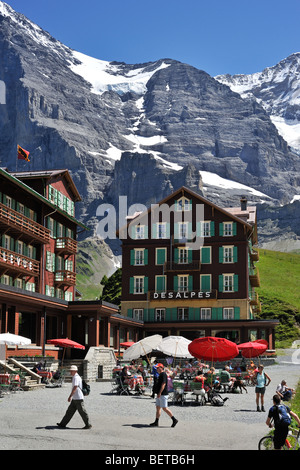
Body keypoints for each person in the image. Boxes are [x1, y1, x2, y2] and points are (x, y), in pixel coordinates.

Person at [57, 365, 92, 429]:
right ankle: (62, 424)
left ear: (75, 371)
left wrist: (70, 396)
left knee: (82, 412)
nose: (70, 371)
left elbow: (75, 387)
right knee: (69, 411)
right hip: (76, 397)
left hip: (78, 397)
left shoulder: (76, 378)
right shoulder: (76, 377)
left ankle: (88, 424)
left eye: (71, 370)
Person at [150, 363, 178, 428]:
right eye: (156, 368)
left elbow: (163, 384)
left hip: (163, 393)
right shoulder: (160, 374)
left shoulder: (163, 374)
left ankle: (174, 419)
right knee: (158, 407)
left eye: (158, 368)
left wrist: (160, 392)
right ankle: (156, 421)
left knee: (164, 408)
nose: (157, 369)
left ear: (161, 368)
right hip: (159, 393)